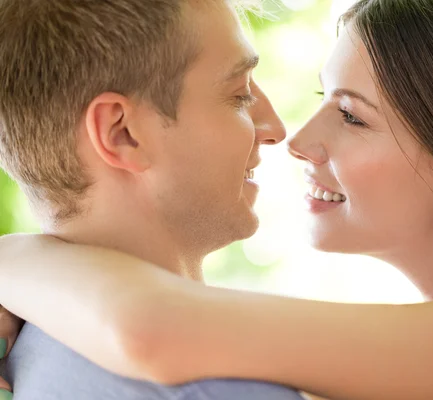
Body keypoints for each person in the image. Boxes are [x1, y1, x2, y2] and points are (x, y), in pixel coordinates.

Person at [2, 0, 433, 398]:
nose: (297, 138)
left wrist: (15, 259)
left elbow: (153, 328)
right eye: (322, 99)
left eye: (350, 116)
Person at [0, 0, 312, 399]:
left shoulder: (33, 356)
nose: (275, 129)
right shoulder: (217, 385)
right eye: (239, 94)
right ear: (122, 133)